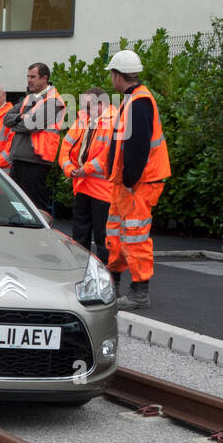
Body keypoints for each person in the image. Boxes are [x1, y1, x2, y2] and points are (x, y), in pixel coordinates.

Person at [104, 50, 170, 310]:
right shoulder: (133, 100)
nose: (111, 78)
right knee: (118, 234)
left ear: (118, 76)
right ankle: (115, 287)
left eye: (112, 74)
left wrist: (130, 180)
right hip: (129, 183)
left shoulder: (139, 102)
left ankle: (139, 293)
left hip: (139, 183)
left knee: (135, 234)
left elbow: (138, 147)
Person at [58, 85, 115, 262]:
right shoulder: (84, 119)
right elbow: (65, 147)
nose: (85, 110)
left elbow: (109, 155)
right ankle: (81, 272)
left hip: (102, 190)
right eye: (83, 107)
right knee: (80, 236)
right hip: (83, 186)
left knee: (102, 237)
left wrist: (86, 169)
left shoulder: (114, 121)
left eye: (89, 107)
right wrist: (69, 169)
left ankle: (107, 277)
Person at [2, 62, 65, 211]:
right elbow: (6, 119)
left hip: (36, 161)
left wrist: (18, 122)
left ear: (45, 78)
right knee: (18, 206)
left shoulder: (54, 101)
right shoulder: (30, 98)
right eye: (27, 76)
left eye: (33, 77)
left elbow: (30, 125)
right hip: (20, 159)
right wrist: (21, 118)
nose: (29, 80)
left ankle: (41, 234)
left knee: (36, 207)